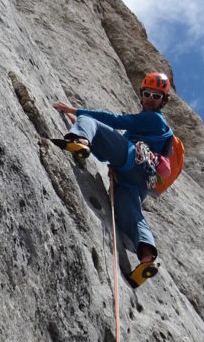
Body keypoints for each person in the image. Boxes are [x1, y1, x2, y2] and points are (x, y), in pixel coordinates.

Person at [52, 72, 175, 287]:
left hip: (131, 161)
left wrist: (78, 113)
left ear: (163, 102)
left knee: (91, 120)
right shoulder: (147, 131)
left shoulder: (154, 120)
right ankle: (147, 258)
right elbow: (104, 148)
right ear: (141, 94)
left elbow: (116, 121)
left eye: (156, 97)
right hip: (135, 181)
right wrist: (78, 122)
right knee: (131, 215)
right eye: (147, 94)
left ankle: (81, 138)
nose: (149, 99)